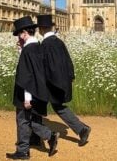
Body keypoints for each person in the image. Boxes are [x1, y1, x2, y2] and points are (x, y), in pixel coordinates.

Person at [6, 16, 59, 160]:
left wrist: (27, 97)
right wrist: (21, 50)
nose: (18, 37)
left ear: (24, 33)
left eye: (18, 34)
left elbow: (27, 75)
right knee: (31, 119)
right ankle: (46, 137)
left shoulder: (28, 50)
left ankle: (23, 150)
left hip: (26, 91)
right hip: (38, 90)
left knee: (22, 120)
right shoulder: (37, 46)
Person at [36, 14, 91, 147]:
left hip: (53, 82)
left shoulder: (45, 45)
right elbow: (68, 60)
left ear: (42, 29)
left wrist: (43, 82)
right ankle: (81, 129)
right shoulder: (59, 42)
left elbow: (49, 67)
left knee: (41, 106)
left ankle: (38, 136)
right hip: (63, 80)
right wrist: (70, 77)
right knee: (57, 106)